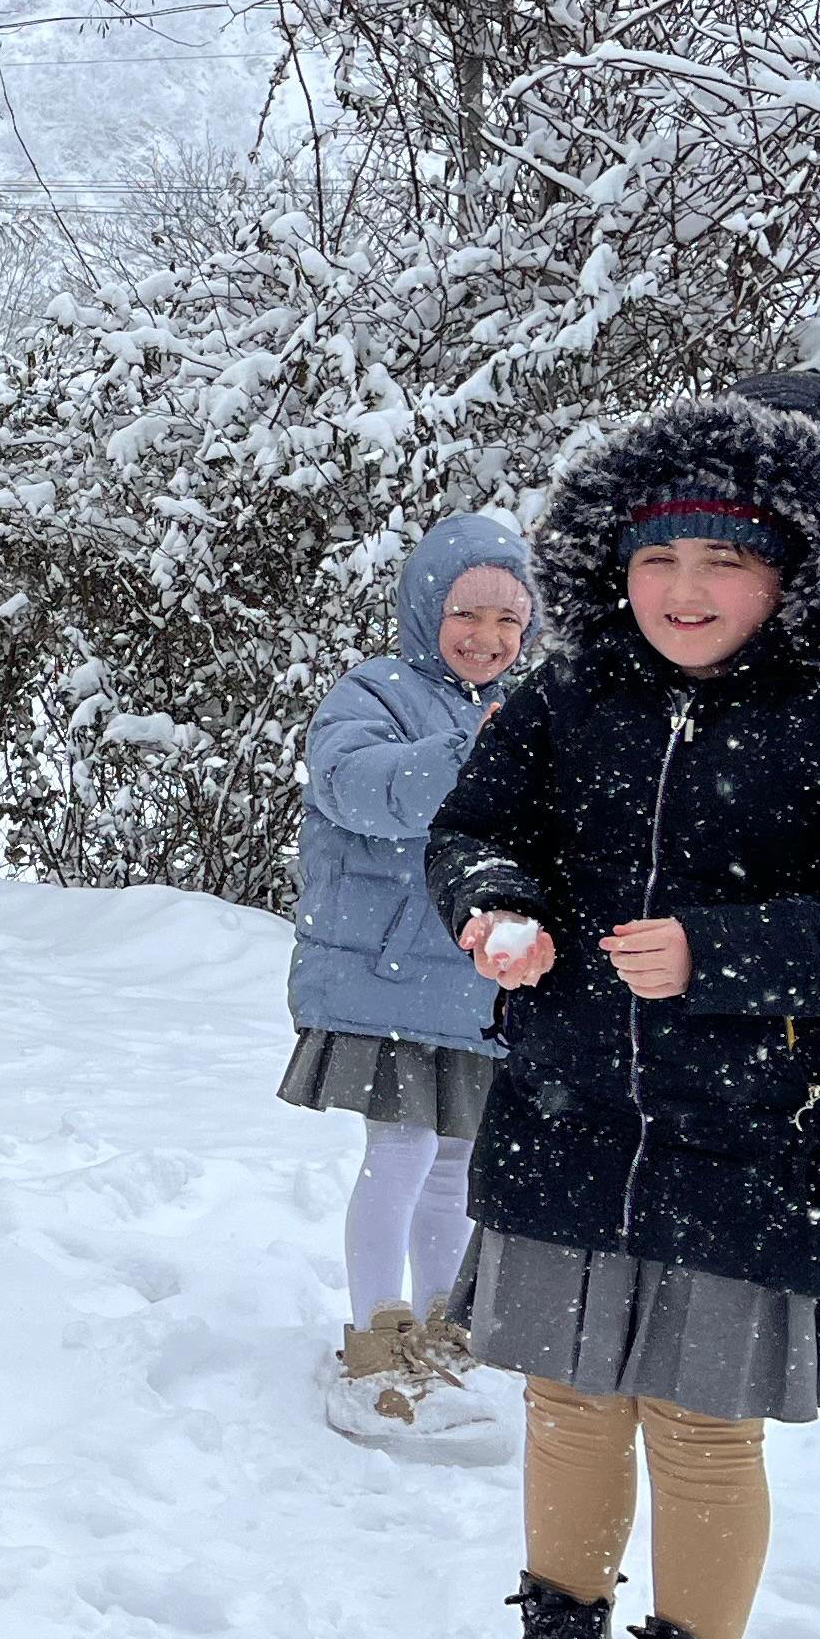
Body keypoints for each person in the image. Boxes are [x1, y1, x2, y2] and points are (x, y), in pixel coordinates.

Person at [422, 371, 820, 1639]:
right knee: (569, 1400)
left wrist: (723, 956)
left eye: (725, 555)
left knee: (702, 1429)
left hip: (756, 1136)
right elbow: (477, 832)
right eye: (659, 553)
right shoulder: (566, 699)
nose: (685, 584)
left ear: (799, 566)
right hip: (569, 1110)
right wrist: (494, 906)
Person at [284, 515, 534, 1445]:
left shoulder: (514, 707)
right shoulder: (373, 694)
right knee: (400, 1155)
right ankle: (373, 1334)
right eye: (467, 613)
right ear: (426, 605)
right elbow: (362, 789)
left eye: (509, 622)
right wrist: (477, 751)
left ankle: (443, 1324)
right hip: (386, 977)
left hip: (472, 982)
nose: (488, 638)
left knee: (458, 1169)